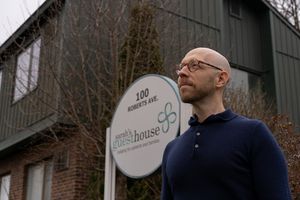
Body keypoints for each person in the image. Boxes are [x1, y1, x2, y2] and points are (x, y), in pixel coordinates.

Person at [161, 47, 292, 200]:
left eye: (194, 65)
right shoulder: (171, 149)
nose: (182, 72)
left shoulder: (253, 134)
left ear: (220, 79)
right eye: (181, 67)